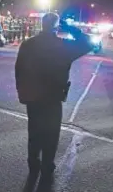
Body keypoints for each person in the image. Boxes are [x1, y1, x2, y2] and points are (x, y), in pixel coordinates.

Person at [15, 13, 92, 191]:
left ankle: (33, 164)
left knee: (34, 131)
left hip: (33, 96)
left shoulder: (28, 44)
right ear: (56, 26)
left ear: (42, 25)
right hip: (53, 96)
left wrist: (22, 92)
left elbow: (18, 69)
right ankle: (47, 166)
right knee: (51, 133)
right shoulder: (62, 46)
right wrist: (69, 27)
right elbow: (87, 42)